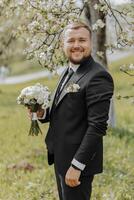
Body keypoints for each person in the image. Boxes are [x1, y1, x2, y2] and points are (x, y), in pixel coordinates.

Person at [29, 21, 114, 200]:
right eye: (71, 41)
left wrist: (77, 166)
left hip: (77, 163)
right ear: (63, 45)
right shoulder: (68, 71)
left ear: (90, 43)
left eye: (82, 40)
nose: (76, 45)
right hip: (61, 156)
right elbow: (66, 111)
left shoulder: (98, 76)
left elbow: (97, 127)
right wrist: (41, 114)